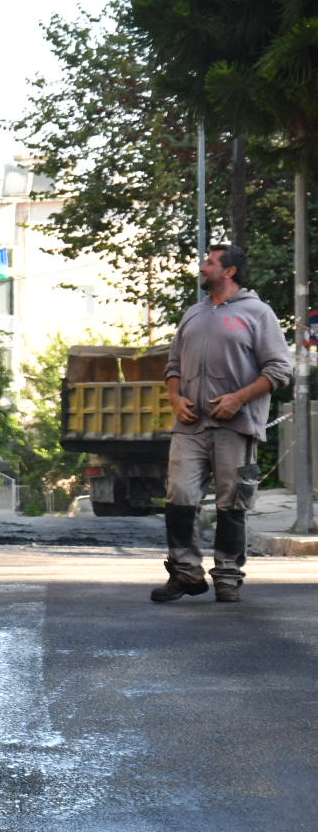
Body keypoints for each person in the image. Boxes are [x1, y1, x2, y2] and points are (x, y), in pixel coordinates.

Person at [152, 245, 291, 604]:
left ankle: (227, 577)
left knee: (233, 502)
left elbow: (279, 370)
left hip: (236, 425)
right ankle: (185, 572)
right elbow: (173, 366)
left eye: (210, 263)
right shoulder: (193, 314)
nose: (202, 267)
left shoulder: (257, 313)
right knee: (179, 497)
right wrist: (175, 397)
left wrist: (238, 398)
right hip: (190, 426)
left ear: (229, 272)